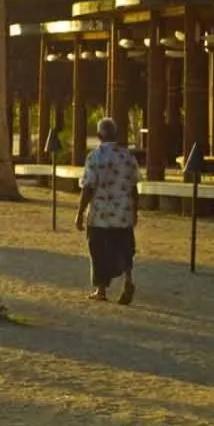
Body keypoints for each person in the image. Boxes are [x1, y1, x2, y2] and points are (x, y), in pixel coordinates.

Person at [75, 117, 140, 304]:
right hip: (123, 214)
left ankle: (101, 290)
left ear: (98, 136)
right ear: (116, 134)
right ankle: (128, 279)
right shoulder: (128, 157)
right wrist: (135, 211)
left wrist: (80, 213)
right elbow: (134, 187)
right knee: (125, 248)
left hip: (100, 215)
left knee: (98, 250)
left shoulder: (95, 157)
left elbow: (88, 187)